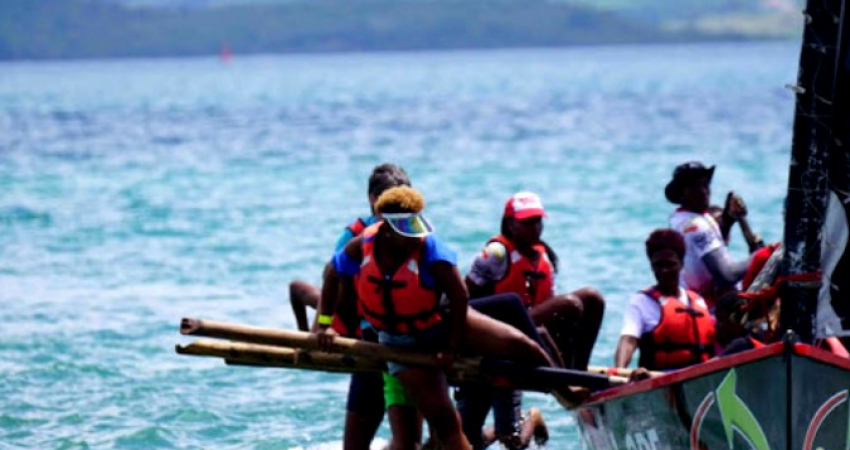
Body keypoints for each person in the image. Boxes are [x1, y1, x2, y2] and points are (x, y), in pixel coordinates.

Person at [316, 186, 556, 450]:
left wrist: (450, 348)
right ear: (386, 226)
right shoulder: (363, 245)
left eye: (414, 224)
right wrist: (325, 326)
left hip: (440, 326)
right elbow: (332, 274)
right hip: (402, 341)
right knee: (446, 426)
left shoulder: (429, 248)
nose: (412, 236)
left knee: (523, 345)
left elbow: (459, 296)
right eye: (405, 228)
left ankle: (569, 392)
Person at [289, 163, 422, 450]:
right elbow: (333, 281)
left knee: (413, 443)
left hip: (408, 342)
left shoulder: (415, 234)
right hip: (368, 339)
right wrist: (322, 328)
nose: (397, 211)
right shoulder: (354, 238)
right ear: (374, 200)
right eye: (390, 202)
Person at [458, 191, 605, 449]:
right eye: (527, 221)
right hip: (494, 339)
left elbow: (548, 306)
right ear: (510, 223)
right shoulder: (496, 253)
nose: (535, 227)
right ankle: (534, 415)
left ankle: (574, 374)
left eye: (538, 221)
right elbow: (464, 298)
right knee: (469, 438)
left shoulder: (543, 257)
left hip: (525, 340)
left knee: (512, 440)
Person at [615, 229, 715, 371]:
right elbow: (628, 340)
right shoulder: (641, 302)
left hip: (701, 376)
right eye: (658, 265)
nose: (664, 271)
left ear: (681, 264)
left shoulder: (698, 301)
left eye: (670, 264)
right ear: (651, 266)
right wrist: (620, 370)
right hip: (660, 378)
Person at [665, 161, 753, 308]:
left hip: (695, 304)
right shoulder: (695, 225)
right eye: (694, 187)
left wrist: (729, 218)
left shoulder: (680, 218)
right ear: (682, 194)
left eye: (705, 184)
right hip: (710, 313)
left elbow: (711, 244)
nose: (704, 191)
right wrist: (766, 255)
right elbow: (727, 276)